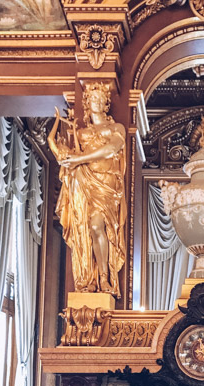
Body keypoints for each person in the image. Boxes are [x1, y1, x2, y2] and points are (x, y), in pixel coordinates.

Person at [47, 81, 127, 298]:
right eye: (92, 99)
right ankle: (91, 278)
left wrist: (79, 158)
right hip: (83, 181)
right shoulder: (80, 133)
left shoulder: (115, 128)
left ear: (106, 103)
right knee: (86, 227)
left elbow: (112, 149)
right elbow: (61, 150)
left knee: (97, 226)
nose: (96, 102)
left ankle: (104, 277)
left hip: (107, 185)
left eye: (100, 99)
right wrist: (68, 160)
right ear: (87, 103)